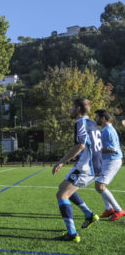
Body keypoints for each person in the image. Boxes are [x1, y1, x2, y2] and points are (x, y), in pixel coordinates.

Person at [52, 98, 102, 243]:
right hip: (94, 165)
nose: (70, 110)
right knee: (64, 188)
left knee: (62, 195)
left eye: (72, 107)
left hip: (86, 167)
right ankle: (89, 214)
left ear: (78, 109)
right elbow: (89, 145)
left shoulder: (80, 122)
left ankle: (72, 234)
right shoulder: (93, 123)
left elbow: (80, 145)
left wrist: (61, 162)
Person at [94, 109, 125, 221]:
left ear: (103, 118)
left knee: (100, 185)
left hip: (113, 160)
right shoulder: (105, 129)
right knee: (99, 185)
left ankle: (118, 210)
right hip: (108, 160)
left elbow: (113, 149)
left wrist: (98, 150)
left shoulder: (108, 131)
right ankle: (109, 209)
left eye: (96, 117)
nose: (95, 119)